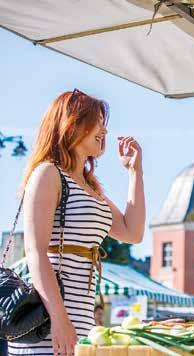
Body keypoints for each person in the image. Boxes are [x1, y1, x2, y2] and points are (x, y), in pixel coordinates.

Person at [8, 89, 146, 356]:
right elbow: (35, 252)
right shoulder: (48, 173)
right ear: (72, 123)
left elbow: (133, 232)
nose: (104, 130)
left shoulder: (91, 188)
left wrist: (135, 172)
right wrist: (59, 320)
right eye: (97, 121)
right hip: (47, 323)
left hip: (79, 321)